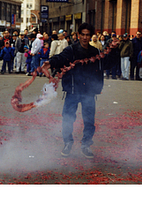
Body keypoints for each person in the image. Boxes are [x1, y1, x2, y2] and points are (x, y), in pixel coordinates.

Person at [41, 23, 112, 159]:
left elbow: (106, 64)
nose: (85, 38)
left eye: (87, 35)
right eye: (82, 35)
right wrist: (51, 62)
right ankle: (68, 143)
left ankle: (86, 144)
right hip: (73, 90)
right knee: (67, 118)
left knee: (89, 120)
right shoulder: (71, 50)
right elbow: (60, 58)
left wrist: (114, 50)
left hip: (89, 92)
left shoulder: (95, 52)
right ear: (78, 35)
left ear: (90, 36)